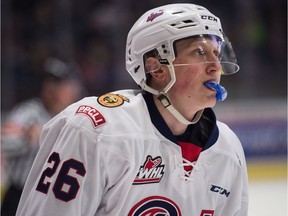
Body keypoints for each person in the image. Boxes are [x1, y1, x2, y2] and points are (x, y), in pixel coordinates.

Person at [16, 4, 249, 216]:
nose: (216, 66)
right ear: (156, 68)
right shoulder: (94, 129)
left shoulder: (228, 148)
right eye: (199, 52)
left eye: (217, 54)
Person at [1, 57, 83, 216]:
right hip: (21, 194)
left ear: (73, 88)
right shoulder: (28, 113)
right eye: (49, 83)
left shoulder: (78, 117)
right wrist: (26, 138)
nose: (52, 89)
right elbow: (5, 142)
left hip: (58, 200)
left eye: (59, 84)